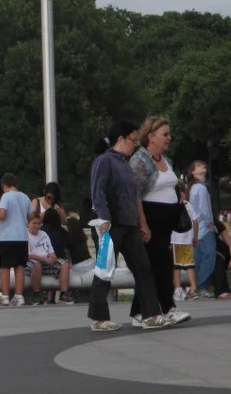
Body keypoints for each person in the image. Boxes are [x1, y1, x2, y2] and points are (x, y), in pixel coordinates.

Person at [87, 122, 176, 331]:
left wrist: (140, 223)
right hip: (109, 226)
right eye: (133, 140)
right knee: (105, 270)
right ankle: (99, 318)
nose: (135, 145)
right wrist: (103, 219)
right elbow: (97, 192)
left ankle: (151, 314)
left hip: (129, 226)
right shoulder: (104, 162)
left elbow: (133, 195)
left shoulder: (125, 164)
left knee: (143, 268)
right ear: (121, 139)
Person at [129, 116, 190, 325]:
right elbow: (135, 194)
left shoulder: (166, 160)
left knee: (159, 265)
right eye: (165, 134)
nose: (169, 138)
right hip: (150, 219)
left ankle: (151, 310)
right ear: (151, 137)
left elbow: (170, 185)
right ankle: (158, 309)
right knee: (156, 265)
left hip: (166, 222)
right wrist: (143, 223)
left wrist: (178, 195)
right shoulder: (140, 160)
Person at [0, 173, 30, 307]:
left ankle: (4, 297)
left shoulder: (6, 196)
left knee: (5, 267)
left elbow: (2, 214)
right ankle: (19, 296)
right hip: (22, 236)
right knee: (19, 267)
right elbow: (31, 215)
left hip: (7, 236)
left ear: (4, 185)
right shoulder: (25, 197)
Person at [27, 215, 72, 305]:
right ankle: (37, 294)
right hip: (32, 261)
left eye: (39, 223)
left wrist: (52, 257)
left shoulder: (44, 234)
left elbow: (51, 251)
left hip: (46, 260)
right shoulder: (24, 235)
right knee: (36, 265)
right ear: (28, 224)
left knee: (65, 264)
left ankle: (63, 294)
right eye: (34, 223)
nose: (37, 226)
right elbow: (28, 255)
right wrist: (44, 259)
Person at [187, 161, 216, 298]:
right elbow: (204, 208)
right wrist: (210, 222)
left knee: (198, 259)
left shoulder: (193, 188)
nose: (203, 166)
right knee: (209, 257)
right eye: (199, 165)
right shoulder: (202, 188)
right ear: (193, 172)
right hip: (204, 227)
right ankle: (200, 285)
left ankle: (196, 287)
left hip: (195, 228)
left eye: (203, 165)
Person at [171, 182, 198, 302]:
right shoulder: (188, 205)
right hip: (187, 240)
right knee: (189, 266)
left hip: (175, 240)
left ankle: (177, 289)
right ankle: (193, 289)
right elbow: (195, 221)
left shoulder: (172, 205)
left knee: (176, 266)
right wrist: (195, 237)